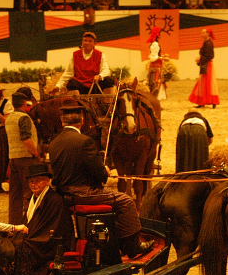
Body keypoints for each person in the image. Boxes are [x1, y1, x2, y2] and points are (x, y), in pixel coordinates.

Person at [48, 99, 153, 260]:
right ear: (82, 121)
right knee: (126, 200)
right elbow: (101, 176)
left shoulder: (54, 143)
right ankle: (132, 246)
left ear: (62, 121)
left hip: (64, 194)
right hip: (82, 194)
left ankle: (118, 241)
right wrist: (104, 170)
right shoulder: (85, 142)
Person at [12, 162, 73, 275]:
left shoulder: (54, 200)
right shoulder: (33, 199)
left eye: (38, 181)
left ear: (47, 181)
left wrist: (28, 239)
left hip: (51, 243)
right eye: (31, 181)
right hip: (37, 238)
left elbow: (53, 226)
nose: (33, 184)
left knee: (22, 248)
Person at [5, 91, 40, 224]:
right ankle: (28, 222)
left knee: (14, 194)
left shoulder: (9, 118)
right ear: (25, 103)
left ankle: (14, 223)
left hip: (13, 158)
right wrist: (35, 153)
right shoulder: (23, 118)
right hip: (26, 158)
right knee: (29, 192)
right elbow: (26, 139)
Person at [49, 31, 115, 95]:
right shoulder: (75, 55)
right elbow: (68, 74)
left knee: (108, 80)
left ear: (95, 44)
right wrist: (58, 87)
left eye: (90, 41)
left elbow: (106, 71)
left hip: (95, 86)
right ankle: (78, 103)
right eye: (85, 40)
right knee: (71, 83)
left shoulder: (100, 55)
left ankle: (107, 104)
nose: (87, 43)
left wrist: (100, 76)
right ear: (82, 42)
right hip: (81, 86)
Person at [187, 28, 220, 108]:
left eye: (203, 33)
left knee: (207, 82)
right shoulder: (206, 43)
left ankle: (208, 102)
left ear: (208, 34)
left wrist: (200, 60)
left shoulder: (208, 43)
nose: (201, 34)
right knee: (204, 83)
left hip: (207, 65)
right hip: (206, 64)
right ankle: (205, 102)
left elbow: (210, 56)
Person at [176, 107, 214, 172]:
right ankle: (201, 172)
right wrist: (203, 147)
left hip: (184, 131)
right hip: (200, 131)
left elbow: (179, 138)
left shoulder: (183, 121)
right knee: (201, 158)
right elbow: (210, 138)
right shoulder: (204, 120)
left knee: (184, 155)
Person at [147, 26, 168, 100]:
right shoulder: (155, 44)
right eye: (160, 32)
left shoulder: (154, 43)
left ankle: (156, 102)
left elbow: (155, 55)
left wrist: (161, 56)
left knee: (156, 83)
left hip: (156, 67)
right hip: (156, 68)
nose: (161, 34)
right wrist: (162, 58)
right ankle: (155, 101)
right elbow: (153, 57)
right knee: (156, 84)